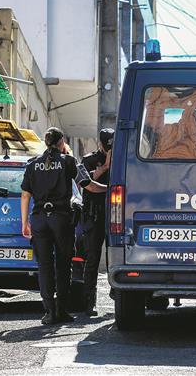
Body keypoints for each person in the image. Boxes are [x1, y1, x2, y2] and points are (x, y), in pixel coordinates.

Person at [20, 127, 79, 325]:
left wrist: (25, 222)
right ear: (61, 141)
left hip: (39, 219)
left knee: (44, 265)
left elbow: (25, 195)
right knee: (63, 264)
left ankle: (48, 311)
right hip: (61, 218)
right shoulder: (68, 161)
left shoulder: (32, 164)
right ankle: (61, 310)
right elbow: (85, 184)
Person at [79, 128, 114, 316]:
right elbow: (85, 183)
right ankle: (89, 303)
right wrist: (105, 168)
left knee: (114, 257)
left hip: (114, 215)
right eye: (107, 145)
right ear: (100, 144)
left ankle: (117, 294)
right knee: (92, 258)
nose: (110, 149)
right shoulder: (89, 159)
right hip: (93, 214)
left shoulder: (122, 158)